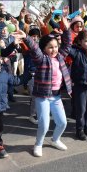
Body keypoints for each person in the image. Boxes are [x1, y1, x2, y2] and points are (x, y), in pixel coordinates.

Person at [16, 12, 72, 157]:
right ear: (44, 48)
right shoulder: (41, 59)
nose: (54, 50)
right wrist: (26, 37)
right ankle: (38, 144)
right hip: (42, 97)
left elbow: (68, 44)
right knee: (44, 124)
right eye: (50, 47)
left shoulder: (60, 56)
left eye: (55, 46)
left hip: (56, 96)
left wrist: (66, 29)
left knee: (62, 123)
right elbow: (34, 49)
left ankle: (55, 140)